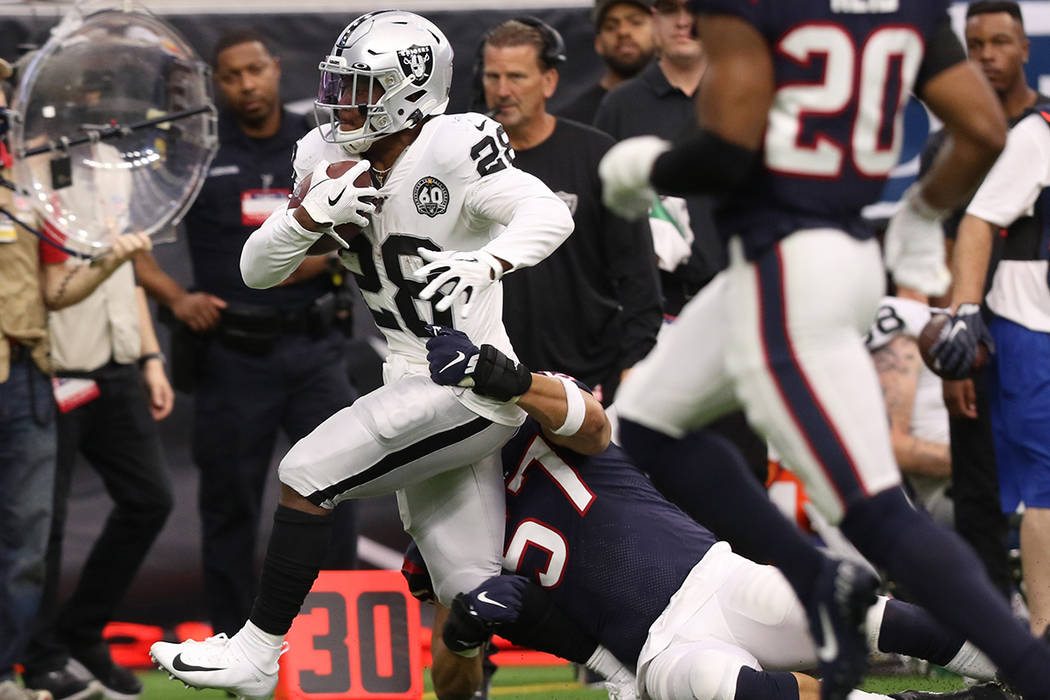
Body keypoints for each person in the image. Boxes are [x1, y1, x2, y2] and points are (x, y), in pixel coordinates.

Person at [598, 3, 1050, 700]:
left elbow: (726, 149)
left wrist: (646, 168)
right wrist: (924, 213)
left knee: (875, 511)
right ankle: (816, 579)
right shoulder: (906, 7)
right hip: (812, 258)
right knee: (650, 424)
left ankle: (1035, 673)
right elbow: (985, 129)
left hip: (789, 268)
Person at [149, 10, 574, 699]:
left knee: (307, 468)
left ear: (408, 90)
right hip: (407, 377)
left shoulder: (455, 144)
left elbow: (548, 212)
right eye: (339, 85)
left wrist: (491, 260)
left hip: (469, 383)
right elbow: (256, 271)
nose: (341, 103)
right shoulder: (323, 154)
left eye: (360, 88)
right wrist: (311, 216)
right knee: (466, 605)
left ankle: (259, 651)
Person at [415, 325, 999, 700]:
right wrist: (465, 634)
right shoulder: (442, 520)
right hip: (653, 655)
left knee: (854, 612)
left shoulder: (533, 416)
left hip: (716, 578)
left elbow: (594, 428)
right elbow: (453, 686)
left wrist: (506, 378)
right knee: (720, 688)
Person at [134, 29, 360, 639]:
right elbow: (128, 235)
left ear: (276, 68)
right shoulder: (196, 151)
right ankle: (234, 643)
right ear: (216, 83)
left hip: (316, 347)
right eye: (231, 76)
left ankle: (333, 640)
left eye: (254, 71)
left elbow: (360, 224)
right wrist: (176, 298)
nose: (246, 85)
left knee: (339, 487)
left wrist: (328, 258)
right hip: (234, 354)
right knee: (230, 504)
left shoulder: (316, 144)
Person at [1, 61, 155, 700]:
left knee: (27, 541)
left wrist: (110, 261)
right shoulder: (29, 170)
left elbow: (52, 289)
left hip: (27, 373)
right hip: (46, 373)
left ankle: (12, 668)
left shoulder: (22, 176)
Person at [19, 197, 176, 700]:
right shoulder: (28, 172)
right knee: (46, 522)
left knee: (150, 499)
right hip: (52, 364)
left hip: (117, 362)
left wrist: (151, 357)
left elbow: (125, 274)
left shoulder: (116, 162)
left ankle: (81, 632)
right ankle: (40, 659)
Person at [920, 0, 1048, 603]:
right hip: (983, 336)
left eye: (1001, 42)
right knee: (979, 489)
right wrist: (954, 341)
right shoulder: (949, 147)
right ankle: (989, 646)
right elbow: (944, 247)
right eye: (976, 45)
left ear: (1026, 49)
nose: (989, 55)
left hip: (1032, 322)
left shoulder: (1042, 128)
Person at [480, 18, 662, 404]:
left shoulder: (595, 155)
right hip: (492, 378)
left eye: (516, 76)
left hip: (587, 378)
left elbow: (639, 276)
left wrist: (634, 365)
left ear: (549, 81)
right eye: (493, 77)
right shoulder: (464, 161)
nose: (503, 91)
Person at [558, 0, 655, 125]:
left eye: (636, 23)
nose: (623, 32)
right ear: (598, 43)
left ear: (658, 32)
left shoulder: (681, 105)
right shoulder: (572, 120)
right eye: (610, 26)